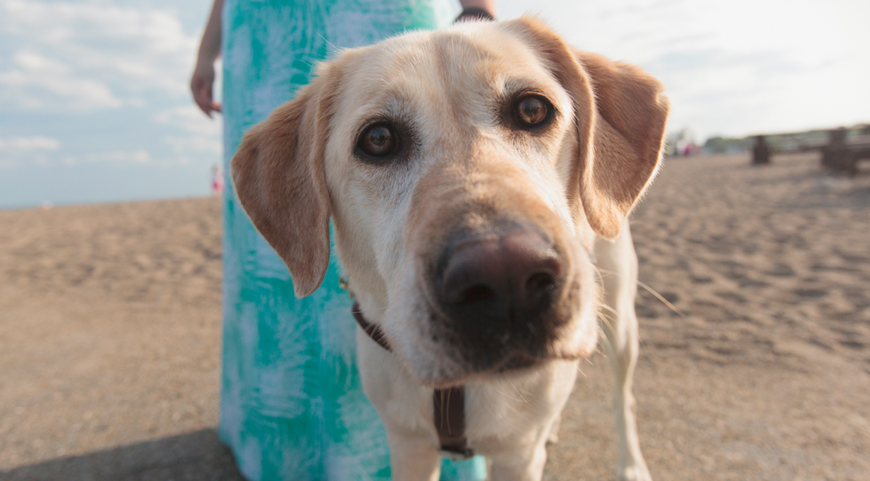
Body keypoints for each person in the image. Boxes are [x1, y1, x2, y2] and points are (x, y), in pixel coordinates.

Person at [191, 1, 495, 480]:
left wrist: (477, 7)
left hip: (374, 15)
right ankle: (286, 450)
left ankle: (431, 442)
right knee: (284, 264)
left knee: (421, 229)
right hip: (261, 39)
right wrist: (208, 52)